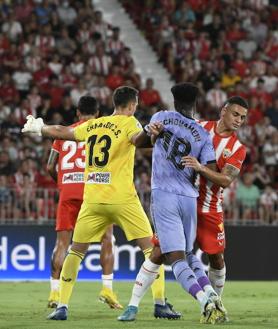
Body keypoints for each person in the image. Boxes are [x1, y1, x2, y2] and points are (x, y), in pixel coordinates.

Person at [22, 86, 181, 321]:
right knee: (152, 249)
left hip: (93, 200)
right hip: (122, 199)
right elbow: (138, 141)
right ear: (133, 105)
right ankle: (159, 303)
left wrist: (39, 128)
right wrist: (153, 134)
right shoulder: (130, 122)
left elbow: (62, 132)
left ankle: (61, 306)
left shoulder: (95, 124)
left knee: (75, 251)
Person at [118, 83, 226, 324]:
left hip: (164, 194)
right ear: (195, 103)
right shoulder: (202, 133)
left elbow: (139, 142)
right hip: (189, 197)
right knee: (187, 254)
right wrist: (197, 166)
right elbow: (209, 170)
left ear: (174, 101)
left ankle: (204, 301)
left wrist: (151, 132)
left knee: (175, 258)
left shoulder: (162, 117)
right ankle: (210, 293)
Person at [46, 96, 120, 309]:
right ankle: (107, 288)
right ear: (97, 114)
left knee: (62, 243)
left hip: (68, 191)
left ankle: (54, 292)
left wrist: (63, 184)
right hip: (94, 190)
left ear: (77, 112)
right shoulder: (102, 131)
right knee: (107, 238)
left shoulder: (62, 134)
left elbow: (50, 167)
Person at [182, 96, 248, 297]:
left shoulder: (238, 148)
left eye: (243, 118)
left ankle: (216, 303)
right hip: (184, 201)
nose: (238, 120)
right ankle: (152, 303)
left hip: (210, 208)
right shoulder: (199, 127)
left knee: (216, 259)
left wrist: (200, 168)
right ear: (223, 111)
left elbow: (226, 180)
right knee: (160, 252)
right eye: (235, 114)